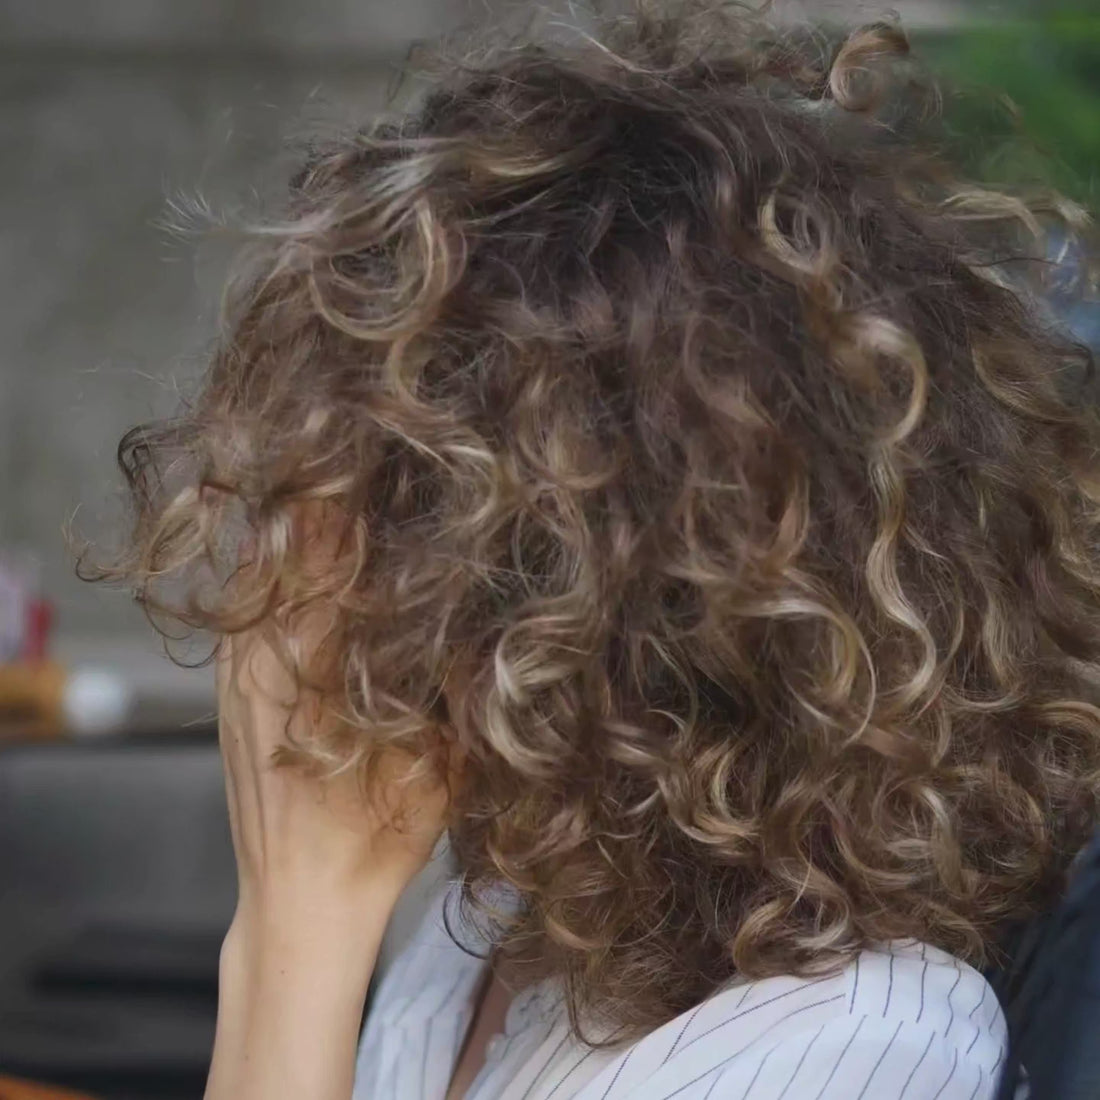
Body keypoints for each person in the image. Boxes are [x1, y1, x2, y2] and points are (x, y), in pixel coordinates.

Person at [98, 3, 1100, 1097]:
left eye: (387, 507)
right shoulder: (501, 914)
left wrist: (296, 934)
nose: (302, 572)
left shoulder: (855, 1038)